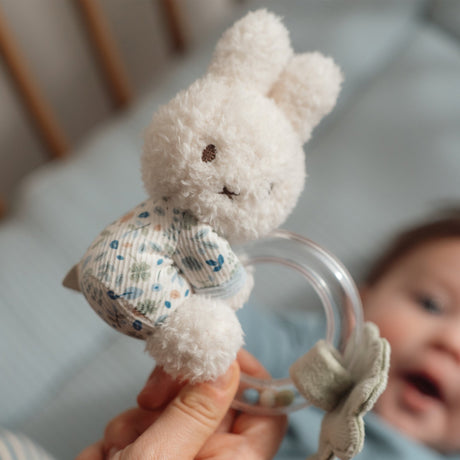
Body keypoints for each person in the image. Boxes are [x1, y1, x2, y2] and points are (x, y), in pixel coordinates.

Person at [76, 209, 460, 459]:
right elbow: (224, 322)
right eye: (430, 304)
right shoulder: (316, 348)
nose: (452, 343)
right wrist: (160, 273)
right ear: (358, 302)